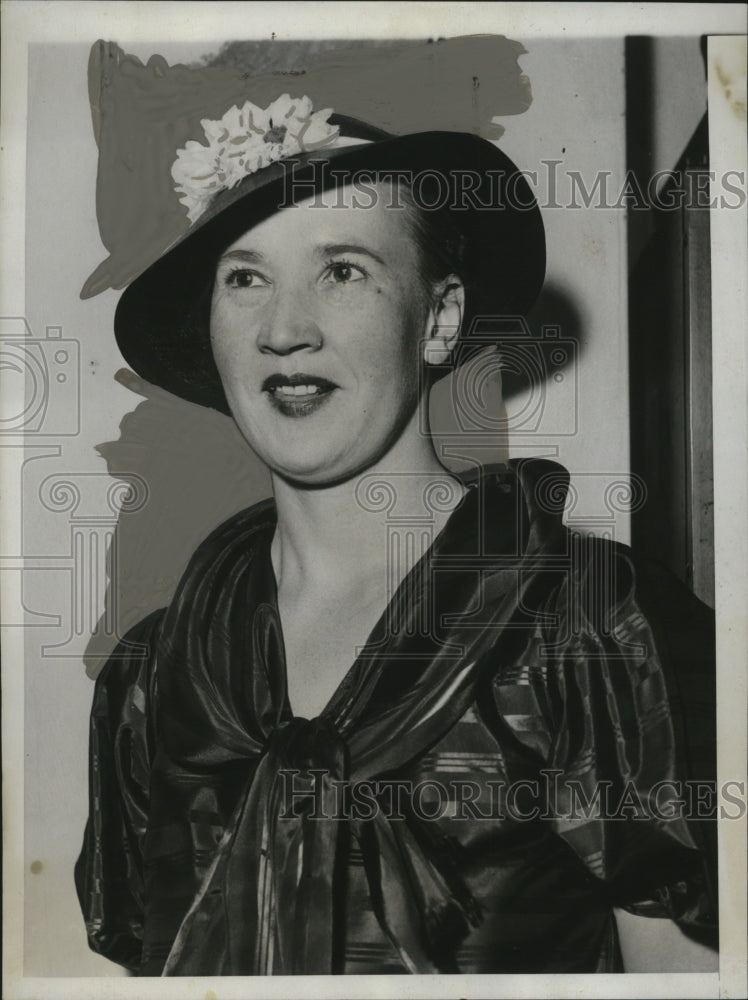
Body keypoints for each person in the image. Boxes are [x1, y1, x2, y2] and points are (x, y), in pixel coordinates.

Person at [75, 93, 718, 976]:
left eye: (343, 271)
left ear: (440, 319)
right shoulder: (152, 677)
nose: (285, 331)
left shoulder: (597, 629)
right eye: (246, 277)